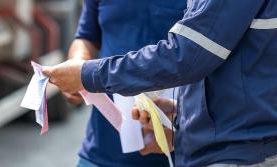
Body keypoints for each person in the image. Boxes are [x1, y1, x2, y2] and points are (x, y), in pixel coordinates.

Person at [42, 0, 277, 167]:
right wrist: (184, 113)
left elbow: (189, 56)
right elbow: (86, 35)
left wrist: (89, 75)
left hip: (233, 150)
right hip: (110, 148)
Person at [59, 0, 186, 166]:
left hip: (181, 154)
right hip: (100, 153)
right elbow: (87, 37)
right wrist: (78, 65)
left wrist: (183, 128)